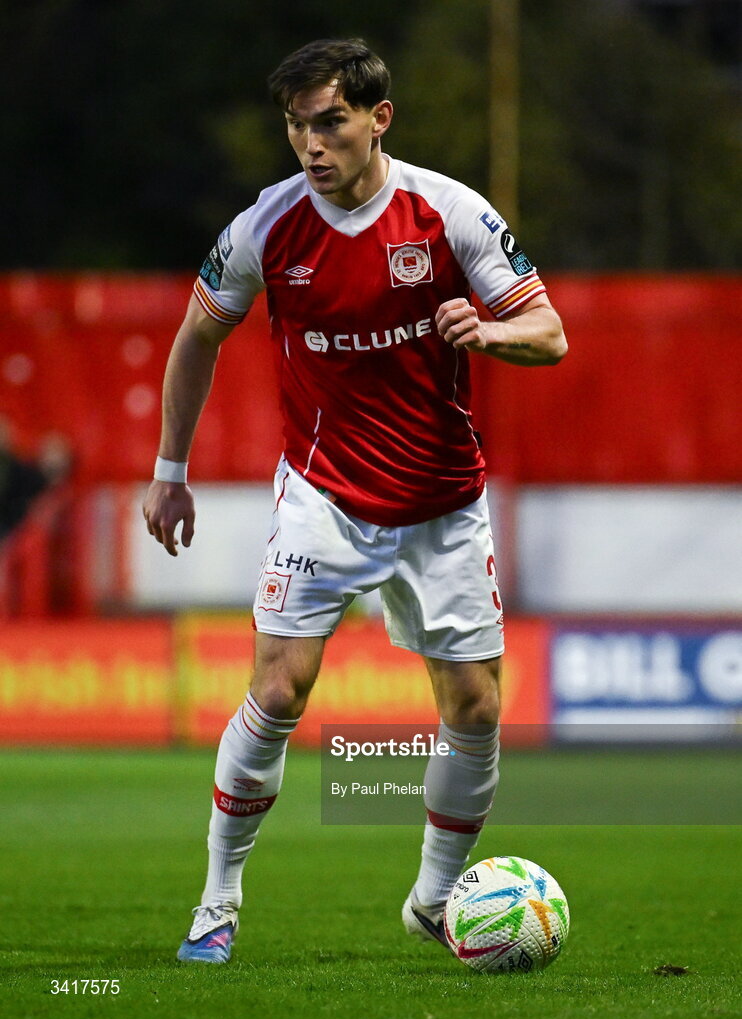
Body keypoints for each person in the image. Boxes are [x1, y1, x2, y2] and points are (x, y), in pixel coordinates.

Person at [143, 37, 567, 964]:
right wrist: (170, 471)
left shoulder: (447, 212)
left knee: (476, 708)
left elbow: (551, 333)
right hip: (324, 497)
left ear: (379, 119)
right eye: (296, 126)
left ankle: (433, 899)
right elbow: (195, 338)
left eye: (329, 121)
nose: (310, 144)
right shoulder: (264, 228)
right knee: (279, 687)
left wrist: (490, 331)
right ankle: (216, 904)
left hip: (443, 500)